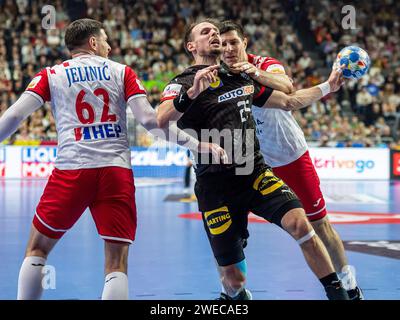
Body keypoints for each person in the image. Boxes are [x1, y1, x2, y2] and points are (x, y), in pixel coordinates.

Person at [0, 18, 224, 300]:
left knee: (37, 249)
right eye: (105, 40)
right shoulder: (122, 72)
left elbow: (15, 116)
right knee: (116, 264)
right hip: (115, 172)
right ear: (93, 42)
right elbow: (151, 122)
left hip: (72, 169)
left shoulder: (51, 75)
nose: (108, 46)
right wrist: (196, 144)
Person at [157, 19, 349, 300]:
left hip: (255, 172)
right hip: (216, 186)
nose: (214, 34)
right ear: (191, 46)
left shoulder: (239, 77)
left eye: (216, 31)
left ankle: (338, 292)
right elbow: (160, 120)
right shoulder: (181, 83)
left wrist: (328, 87)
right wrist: (193, 93)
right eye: (205, 31)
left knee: (300, 223)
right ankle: (233, 296)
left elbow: (287, 100)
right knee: (234, 280)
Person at [219, 20, 363, 300]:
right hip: (253, 160)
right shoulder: (219, 74)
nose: (228, 49)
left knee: (318, 223)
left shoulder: (264, 63)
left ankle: (348, 281)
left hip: (290, 155)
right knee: (231, 228)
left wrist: (254, 71)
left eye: (233, 42)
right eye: (222, 44)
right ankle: (234, 291)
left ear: (244, 43)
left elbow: (286, 87)